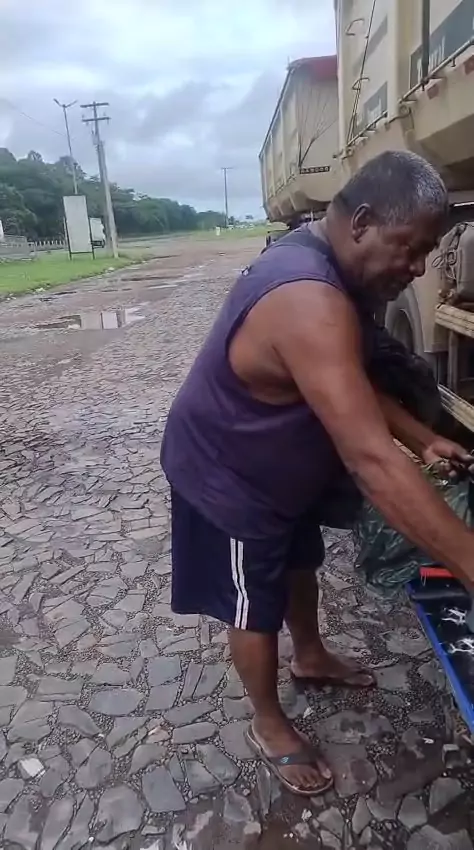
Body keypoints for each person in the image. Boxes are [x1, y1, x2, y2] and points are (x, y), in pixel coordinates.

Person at [161, 151, 474, 797]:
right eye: (411, 248)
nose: (419, 268)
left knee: (299, 562)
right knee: (253, 604)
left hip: (284, 468)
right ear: (361, 223)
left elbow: (345, 379)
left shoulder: (331, 265)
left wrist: (423, 437)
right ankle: (268, 722)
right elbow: (371, 461)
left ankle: (310, 655)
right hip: (230, 473)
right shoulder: (307, 297)